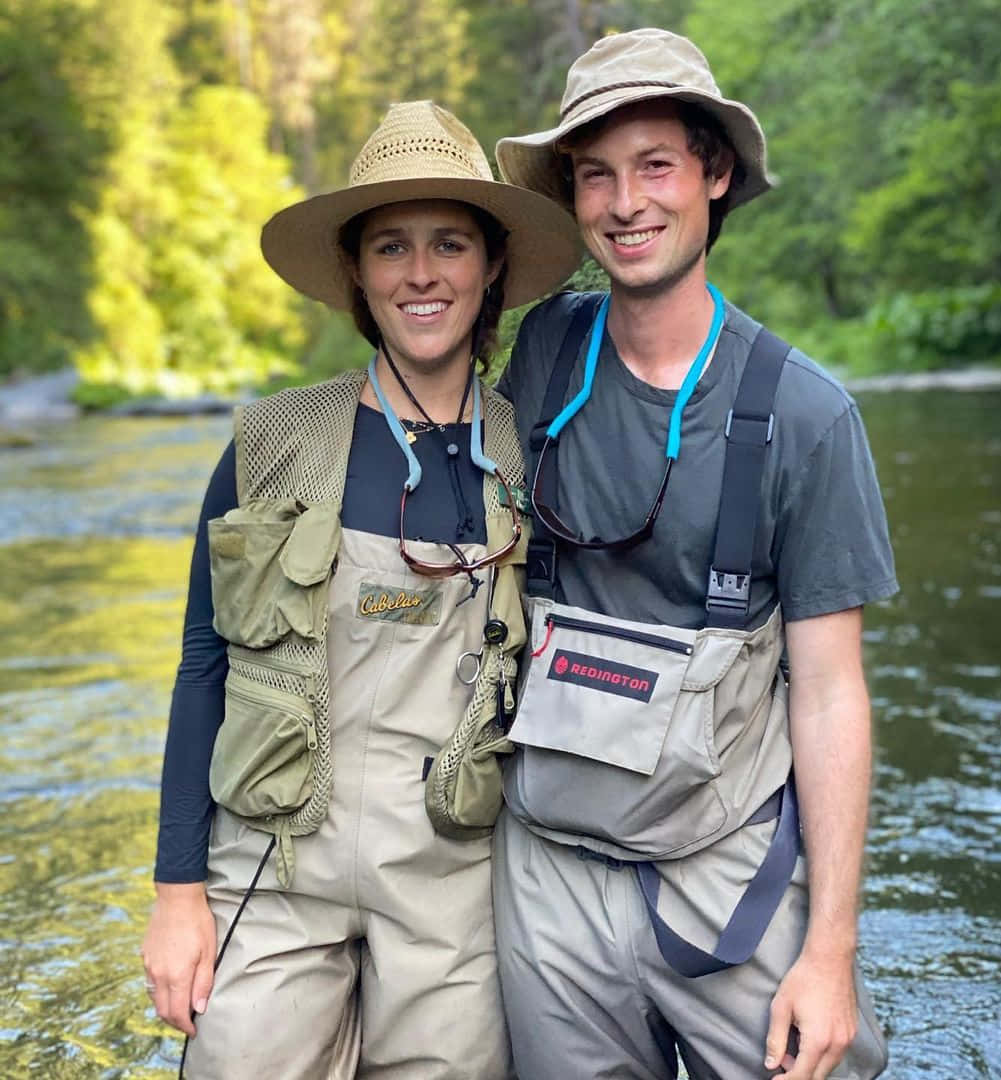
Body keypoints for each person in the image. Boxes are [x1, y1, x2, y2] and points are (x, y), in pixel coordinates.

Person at [140, 99, 580, 1079]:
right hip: (273, 865)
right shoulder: (267, 444)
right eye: (391, 247)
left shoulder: (535, 455)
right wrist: (178, 890)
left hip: (454, 884)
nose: (421, 274)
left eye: (449, 244)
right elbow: (200, 664)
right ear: (355, 271)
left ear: (492, 264)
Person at [491, 28, 897, 1080]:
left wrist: (831, 951)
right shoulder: (539, 352)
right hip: (549, 867)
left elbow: (831, 695)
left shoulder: (809, 416)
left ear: (715, 177)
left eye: (656, 166)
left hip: (731, 866)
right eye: (596, 176)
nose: (626, 203)